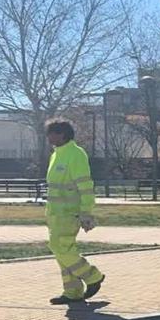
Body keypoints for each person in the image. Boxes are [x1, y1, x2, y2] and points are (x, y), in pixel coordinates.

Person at [44, 119, 105, 304]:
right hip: (55, 214)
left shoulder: (75, 154)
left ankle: (93, 276)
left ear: (62, 134)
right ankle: (72, 292)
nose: (48, 137)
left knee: (60, 248)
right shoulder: (56, 154)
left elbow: (85, 187)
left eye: (51, 133)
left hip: (70, 214)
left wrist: (86, 213)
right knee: (63, 250)